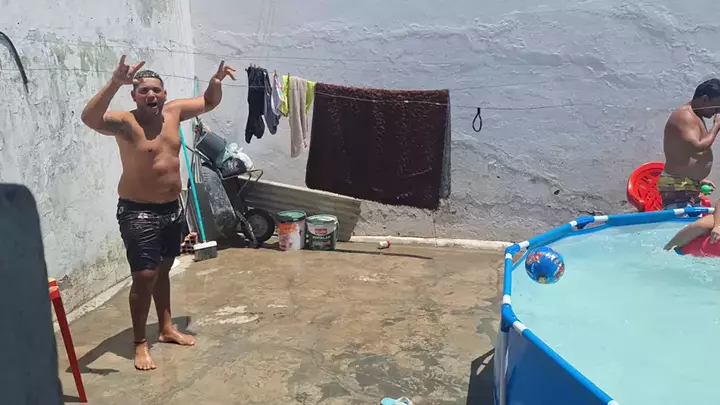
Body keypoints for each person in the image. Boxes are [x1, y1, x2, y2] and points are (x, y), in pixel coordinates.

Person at [81, 55, 236, 370]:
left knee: (164, 270)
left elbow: (209, 101)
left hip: (171, 209)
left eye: (156, 90)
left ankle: (166, 328)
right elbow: (90, 119)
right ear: (134, 96)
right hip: (138, 211)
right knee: (145, 276)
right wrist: (114, 82)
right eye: (143, 91)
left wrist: (215, 82)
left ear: (164, 93)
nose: (150, 95)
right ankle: (140, 342)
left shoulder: (174, 112)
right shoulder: (126, 123)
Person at [660, 78, 720, 209]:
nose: (717, 112)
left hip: (686, 184)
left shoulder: (696, 116)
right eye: (716, 108)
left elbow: (687, 154)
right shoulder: (685, 116)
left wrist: (697, 181)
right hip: (677, 186)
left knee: (694, 220)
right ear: (705, 99)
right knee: (683, 221)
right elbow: (697, 147)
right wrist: (716, 126)